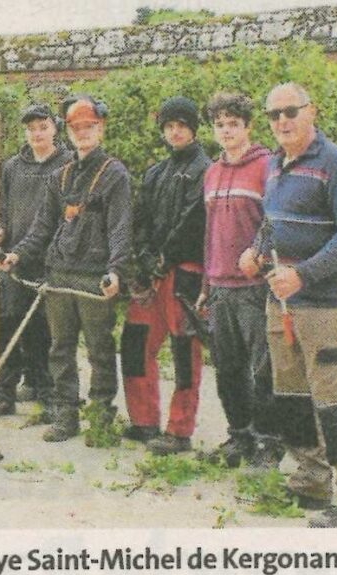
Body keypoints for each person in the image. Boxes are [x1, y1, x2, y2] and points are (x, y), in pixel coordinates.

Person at [239, 82, 337, 528]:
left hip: (326, 302)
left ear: (312, 111)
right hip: (282, 300)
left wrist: (304, 274)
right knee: (290, 394)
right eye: (274, 115)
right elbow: (271, 226)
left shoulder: (336, 164)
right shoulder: (275, 164)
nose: (282, 121)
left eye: (291, 111)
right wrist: (255, 251)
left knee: (333, 399)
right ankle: (311, 478)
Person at [0, 96, 131, 442]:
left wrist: (116, 270)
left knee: (100, 350)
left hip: (93, 276)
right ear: (69, 132)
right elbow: (41, 229)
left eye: (89, 127)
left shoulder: (114, 174)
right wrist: (18, 254)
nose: (83, 133)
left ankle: (101, 417)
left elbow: (120, 228)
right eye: (77, 128)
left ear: (100, 129)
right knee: (60, 348)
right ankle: (65, 414)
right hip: (58, 273)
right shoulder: (60, 177)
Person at [120, 96, 211, 455]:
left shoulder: (206, 169)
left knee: (184, 350)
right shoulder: (155, 171)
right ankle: (144, 420)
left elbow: (192, 222)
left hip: (185, 270)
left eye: (181, 126)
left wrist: (163, 259)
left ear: (193, 129)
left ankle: (179, 429)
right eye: (169, 126)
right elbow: (138, 220)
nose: (175, 132)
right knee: (134, 342)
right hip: (151, 273)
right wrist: (144, 260)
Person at [196, 92, 281, 468]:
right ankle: (240, 435)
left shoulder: (267, 166)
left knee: (263, 369)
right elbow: (208, 232)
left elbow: (276, 222)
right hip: (219, 287)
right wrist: (204, 287)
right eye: (219, 125)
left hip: (254, 288)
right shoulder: (211, 172)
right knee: (228, 369)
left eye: (233, 124)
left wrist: (260, 258)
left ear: (248, 126)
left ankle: (268, 443)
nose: (227, 131)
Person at [0, 103, 72, 420]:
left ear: (55, 129)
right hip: (12, 263)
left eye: (42, 127)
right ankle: (2, 394)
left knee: (45, 333)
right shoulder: (12, 167)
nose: (37, 133)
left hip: (49, 262)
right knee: (6, 328)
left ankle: (48, 396)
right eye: (31, 128)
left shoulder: (68, 165)